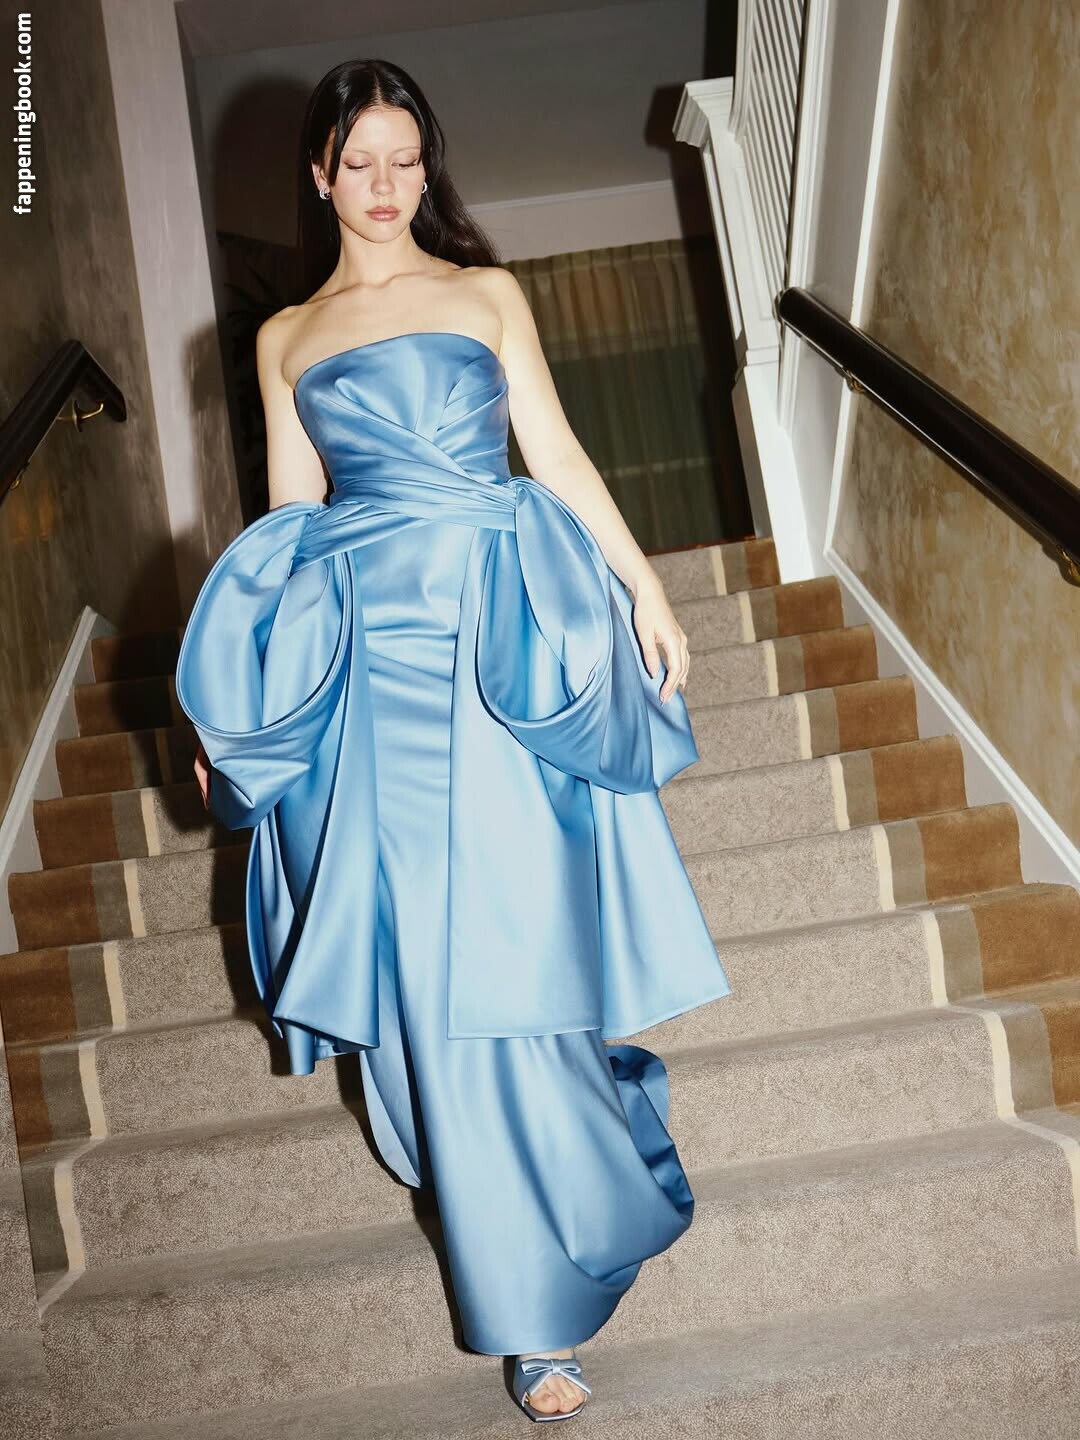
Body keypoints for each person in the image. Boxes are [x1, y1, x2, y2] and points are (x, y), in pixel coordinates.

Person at [175, 58, 732, 1423]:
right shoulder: (284, 336)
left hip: (492, 648)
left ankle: (559, 1218)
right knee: (424, 981)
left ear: (429, 165)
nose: (385, 184)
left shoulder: (488, 296)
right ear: (319, 174)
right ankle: (529, 1314)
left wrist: (646, 591)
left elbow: (557, 453)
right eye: (359, 161)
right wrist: (245, 709)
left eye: (406, 157)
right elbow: (288, 532)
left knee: (513, 953)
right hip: (366, 672)